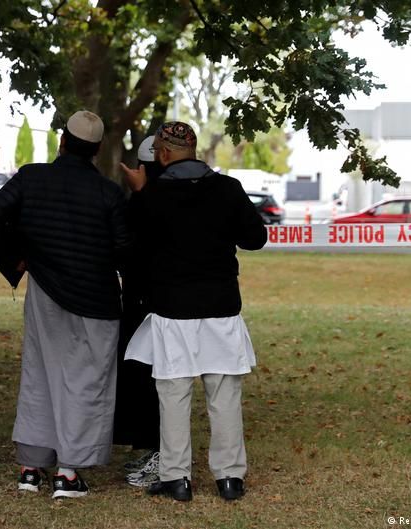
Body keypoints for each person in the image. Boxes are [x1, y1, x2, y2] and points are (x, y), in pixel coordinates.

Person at [0, 110, 131, 499]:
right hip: (95, 300)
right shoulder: (109, 193)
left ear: (62, 142)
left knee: (39, 374)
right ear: (96, 150)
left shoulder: (31, 177)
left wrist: (17, 257)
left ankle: (31, 468)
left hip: (44, 292)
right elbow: (124, 250)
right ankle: (67, 473)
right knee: (85, 381)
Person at [119, 121, 267, 502]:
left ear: (163, 154)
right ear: (194, 150)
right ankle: (230, 478)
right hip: (221, 306)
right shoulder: (228, 189)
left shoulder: (153, 197)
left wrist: (139, 193)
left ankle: (176, 478)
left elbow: (132, 246)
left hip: (172, 308)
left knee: (173, 395)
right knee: (224, 397)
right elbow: (255, 238)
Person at [114, 135, 162, 488]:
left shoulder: (147, 202)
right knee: (147, 378)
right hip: (149, 300)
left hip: (150, 302)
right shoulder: (151, 199)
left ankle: (162, 452)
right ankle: (152, 447)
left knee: (154, 380)